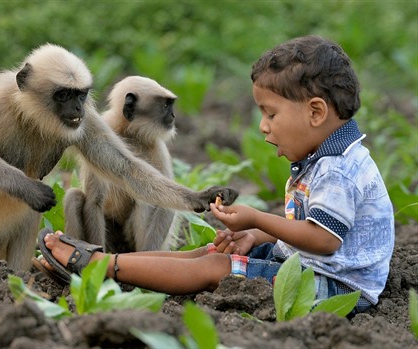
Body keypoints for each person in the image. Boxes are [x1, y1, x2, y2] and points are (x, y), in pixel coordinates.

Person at [38, 35, 395, 313]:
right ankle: (98, 261)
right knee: (206, 252)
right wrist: (257, 235)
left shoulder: (340, 169)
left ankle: (97, 265)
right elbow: (316, 234)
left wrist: (258, 219)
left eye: (271, 114)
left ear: (316, 113)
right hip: (308, 268)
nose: (263, 127)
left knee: (213, 267)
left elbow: (323, 240)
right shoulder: (325, 157)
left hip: (332, 288)